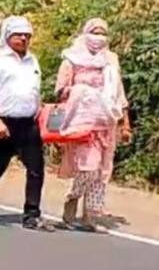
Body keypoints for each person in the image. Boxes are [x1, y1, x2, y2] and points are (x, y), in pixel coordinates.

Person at [0, 16, 54, 231]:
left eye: (27, 35)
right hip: (4, 122)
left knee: (36, 167)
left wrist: (39, 110)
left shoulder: (32, 60)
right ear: (8, 36)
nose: (23, 39)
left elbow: (34, 89)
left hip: (29, 122)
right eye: (19, 35)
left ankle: (31, 214)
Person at [55, 18, 132, 233]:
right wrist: (82, 92)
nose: (98, 38)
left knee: (101, 171)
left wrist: (125, 123)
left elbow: (119, 93)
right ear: (85, 33)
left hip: (106, 122)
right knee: (88, 167)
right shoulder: (71, 58)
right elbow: (61, 89)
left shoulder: (111, 61)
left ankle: (91, 217)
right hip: (81, 121)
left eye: (103, 34)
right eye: (94, 32)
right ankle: (71, 203)